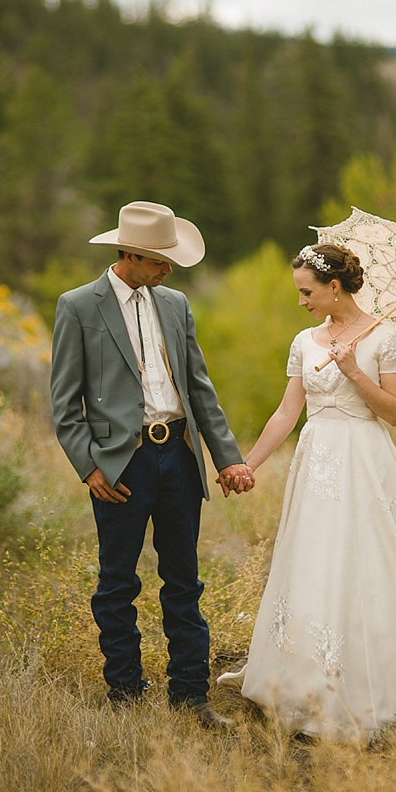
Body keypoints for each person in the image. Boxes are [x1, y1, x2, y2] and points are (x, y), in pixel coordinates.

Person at [218, 242, 396, 741]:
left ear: (333, 286)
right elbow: (287, 413)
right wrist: (247, 464)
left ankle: (374, 672)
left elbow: (394, 412)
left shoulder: (383, 338)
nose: (301, 301)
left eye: (307, 291)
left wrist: (351, 370)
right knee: (313, 559)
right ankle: (302, 675)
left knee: (366, 559)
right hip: (317, 462)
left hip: (365, 461)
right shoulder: (304, 342)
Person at [50, 200, 253, 728]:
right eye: (161, 260)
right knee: (117, 583)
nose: (169, 269)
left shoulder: (176, 304)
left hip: (180, 456)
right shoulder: (77, 306)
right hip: (122, 465)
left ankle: (190, 695)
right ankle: (126, 693)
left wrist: (227, 457)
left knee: (184, 582)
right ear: (131, 254)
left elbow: (200, 389)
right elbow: (64, 405)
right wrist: (90, 469)